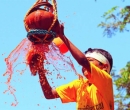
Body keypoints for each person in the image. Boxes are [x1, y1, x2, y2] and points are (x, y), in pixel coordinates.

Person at [30, 24, 114, 110]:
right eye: (87, 61)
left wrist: (62, 36)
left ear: (104, 67)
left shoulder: (106, 80)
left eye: (90, 60)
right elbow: (49, 94)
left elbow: (82, 61)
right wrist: (40, 67)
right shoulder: (80, 86)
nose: (84, 66)